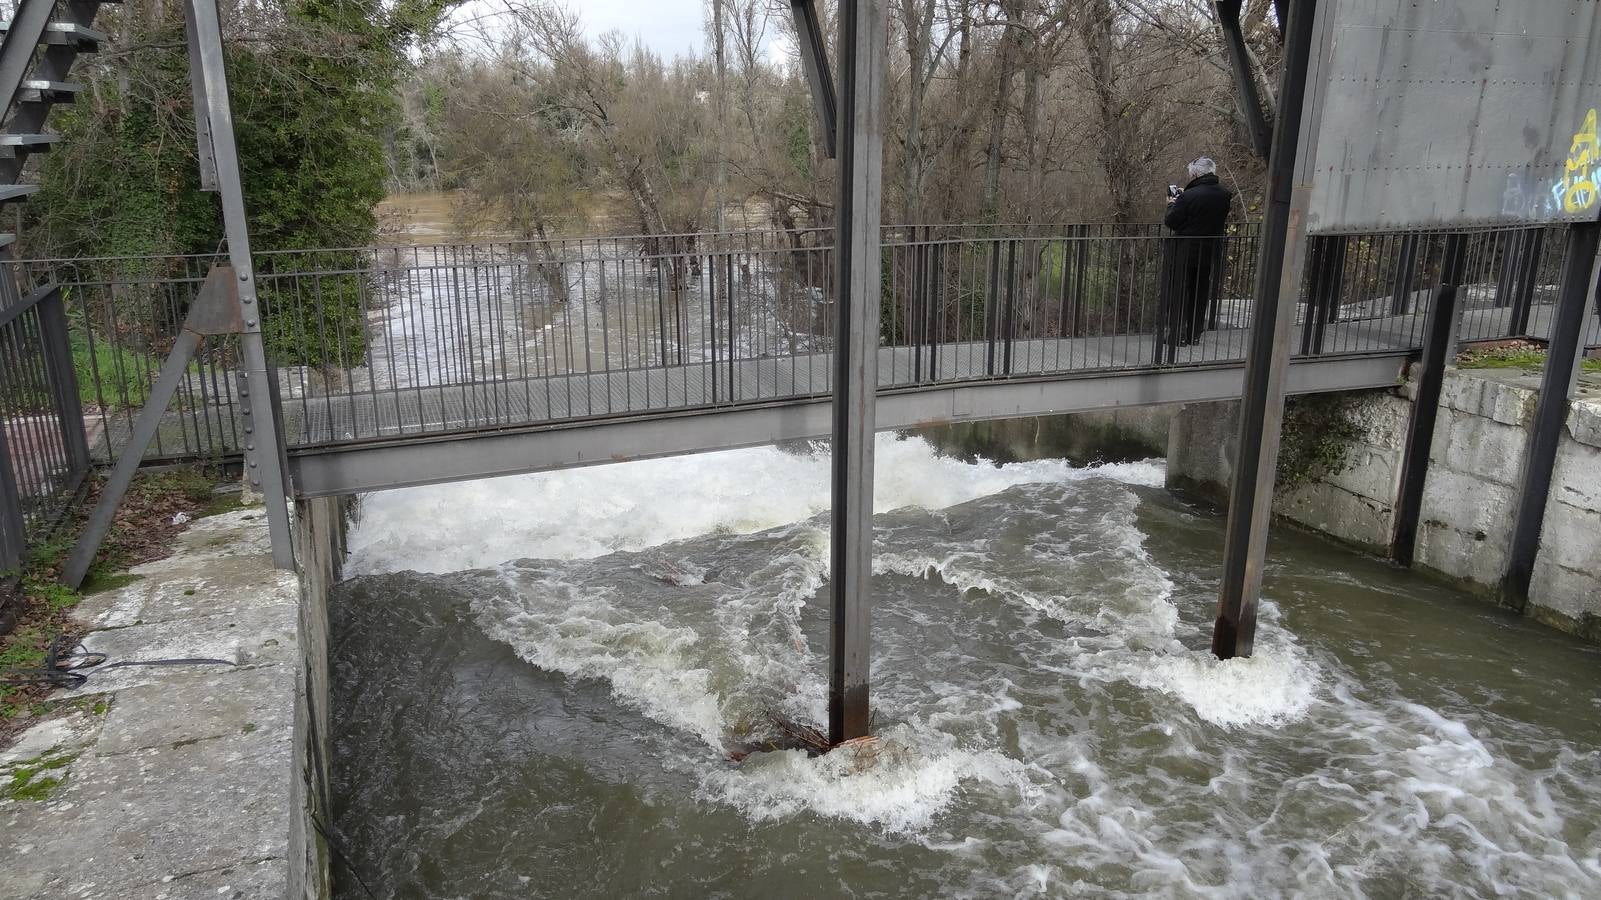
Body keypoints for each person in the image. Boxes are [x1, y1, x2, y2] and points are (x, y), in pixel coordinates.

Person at [1162, 157, 1233, 350]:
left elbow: (1172, 221)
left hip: (1185, 250)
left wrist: (1171, 204)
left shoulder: (1187, 197)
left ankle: (1177, 334)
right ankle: (1194, 334)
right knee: (1200, 292)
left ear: (1194, 174)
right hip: (1209, 250)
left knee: (1179, 291)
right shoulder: (1225, 194)